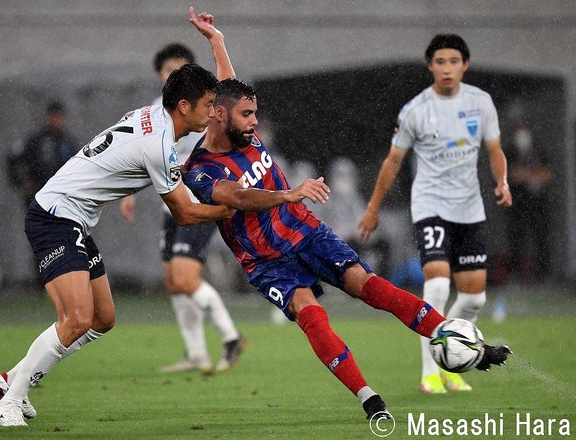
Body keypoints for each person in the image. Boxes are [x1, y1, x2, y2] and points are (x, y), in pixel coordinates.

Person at [182, 78, 511, 421]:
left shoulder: (243, 130)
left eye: (255, 113)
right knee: (311, 315)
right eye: (247, 114)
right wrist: (288, 194)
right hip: (266, 260)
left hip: (306, 231)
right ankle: (369, 398)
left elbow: (227, 78)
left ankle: (465, 345)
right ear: (220, 114)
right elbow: (236, 197)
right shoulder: (200, 170)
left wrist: (217, 40)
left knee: (369, 286)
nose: (254, 122)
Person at [0, 8, 235, 427]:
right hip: (55, 216)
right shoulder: (158, 143)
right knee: (78, 318)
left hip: (73, 218)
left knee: (102, 319)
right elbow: (186, 212)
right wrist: (234, 207)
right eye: (208, 106)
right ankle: (9, 401)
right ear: (185, 105)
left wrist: (217, 43)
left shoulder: (159, 117)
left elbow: (224, 98)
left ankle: (14, 378)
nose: (215, 113)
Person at [358, 34, 513, 395]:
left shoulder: (481, 103)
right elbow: (393, 161)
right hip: (430, 207)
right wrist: (373, 207)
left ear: (465, 66)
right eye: (440, 62)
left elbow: (494, 149)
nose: (447, 68)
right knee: (439, 284)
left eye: (453, 61)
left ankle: (454, 355)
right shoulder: (415, 110)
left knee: (474, 299)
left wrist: (503, 182)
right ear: (430, 66)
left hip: (470, 209)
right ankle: (430, 372)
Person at [119, 43, 244, 374]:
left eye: (180, 69)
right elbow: (146, 155)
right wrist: (129, 191)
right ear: (160, 76)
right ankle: (197, 354)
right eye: (167, 70)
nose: (173, 75)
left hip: (198, 198)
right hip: (171, 202)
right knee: (173, 281)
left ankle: (231, 336)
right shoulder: (156, 110)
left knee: (185, 277)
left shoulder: (205, 108)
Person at [7, 101, 78, 208]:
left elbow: (78, 168)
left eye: (59, 116)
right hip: (38, 197)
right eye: (54, 116)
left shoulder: (69, 143)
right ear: (48, 117)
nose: (57, 120)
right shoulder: (36, 140)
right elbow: (13, 158)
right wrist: (21, 182)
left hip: (62, 200)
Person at [506, 125, 553, 281]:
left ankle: (542, 274)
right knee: (517, 239)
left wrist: (525, 175)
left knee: (541, 238)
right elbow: (511, 175)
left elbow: (547, 174)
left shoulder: (539, 150)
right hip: (518, 204)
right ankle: (517, 275)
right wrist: (531, 175)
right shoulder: (510, 152)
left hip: (538, 204)